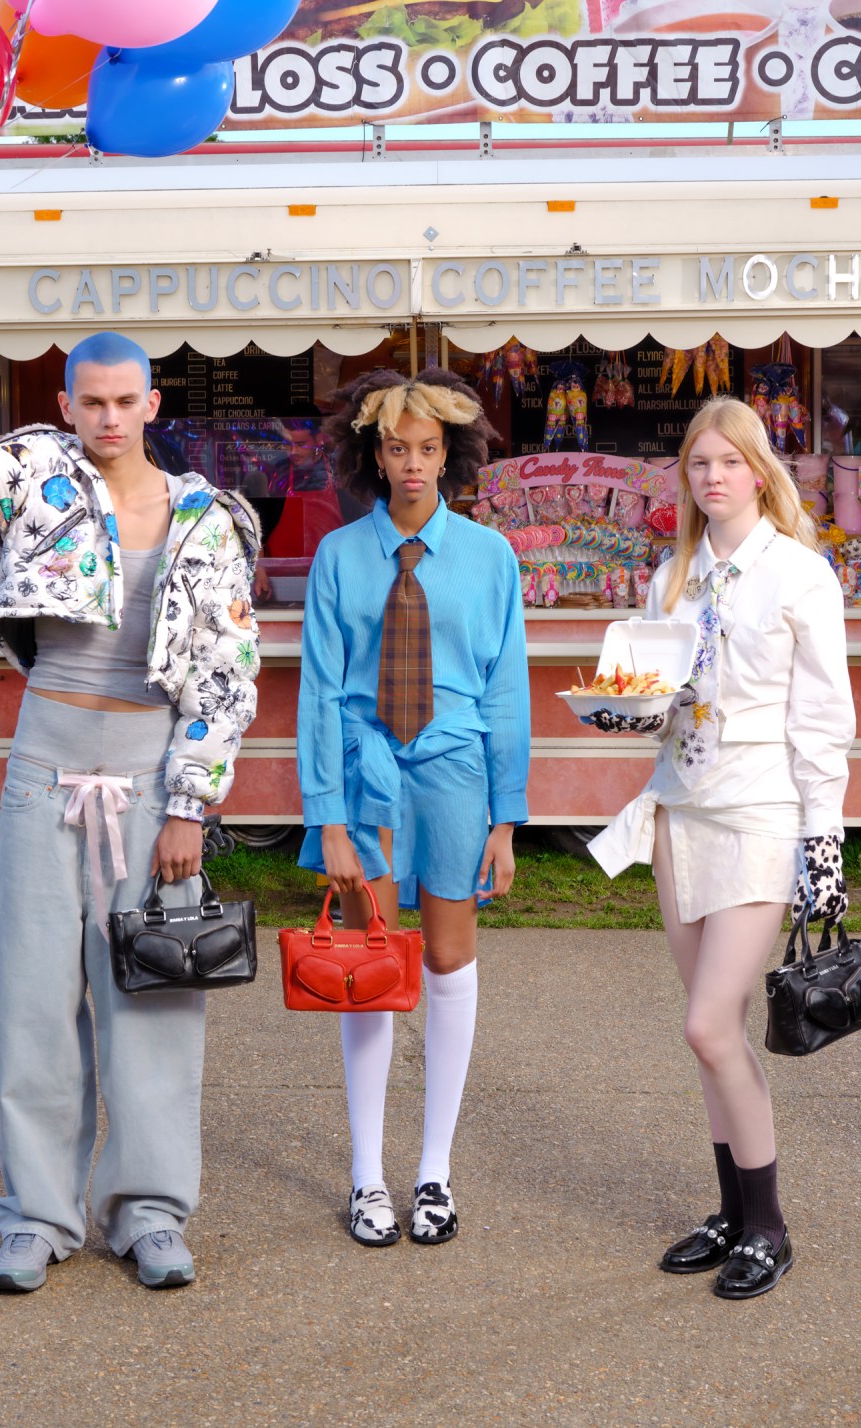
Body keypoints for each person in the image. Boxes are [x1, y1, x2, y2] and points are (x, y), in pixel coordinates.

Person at [0, 259, 260, 1294]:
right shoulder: (34, 481)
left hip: (147, 778)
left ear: (151, 404)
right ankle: (37, 1216)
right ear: (64, 404)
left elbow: (227, 675)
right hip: (44, 763)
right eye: (89, 401)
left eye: (124, 401)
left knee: (153, 999)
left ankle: (149, 1211)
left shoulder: (204, 518)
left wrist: (189, 803)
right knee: (34, 1002)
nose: (106, 417)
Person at [590, 397, 855, 1301]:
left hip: (760, 814)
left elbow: (822, 720)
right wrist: (628, 709)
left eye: (730, 462)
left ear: (759, 470)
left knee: (707, 1023)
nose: (713, 478)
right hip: (679, 814)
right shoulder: (672, 578)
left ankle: (771, 1226)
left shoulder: (799, 576)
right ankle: (733, 1213)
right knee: (717, 1039)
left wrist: (824, 845)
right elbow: (652, 697)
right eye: (699, 464)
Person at [298, 368, 529, 1248]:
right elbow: (319, 692)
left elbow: (507, 690)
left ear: (452, 456)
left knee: (446, 959)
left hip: (456, 774)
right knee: (367, 966)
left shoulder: (489, 558)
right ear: (373, 455)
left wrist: (507, 818)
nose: (413, 466)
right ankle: (367, 1177)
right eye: (397, 448)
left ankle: (433, 1171)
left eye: (429, 449)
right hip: (364, 777)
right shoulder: (338, 557)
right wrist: (327, 816)